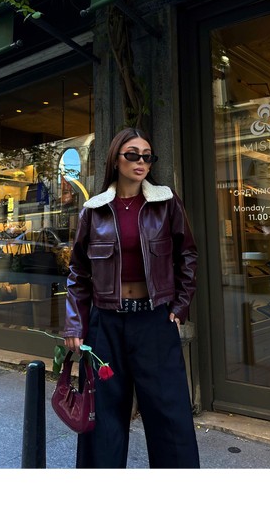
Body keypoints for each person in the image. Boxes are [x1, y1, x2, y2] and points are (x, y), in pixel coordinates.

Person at [63, 127, 200, 468]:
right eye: (133, 155)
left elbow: (187, 254)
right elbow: (78, 272)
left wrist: (180, 305)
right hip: (105, 323)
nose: (141, 162)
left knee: (169, 415)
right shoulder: (94, 210)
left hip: (154, 320)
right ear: (115, 159)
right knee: (102, 415)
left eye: (147, 157)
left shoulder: (165, 202)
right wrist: (75, 324)